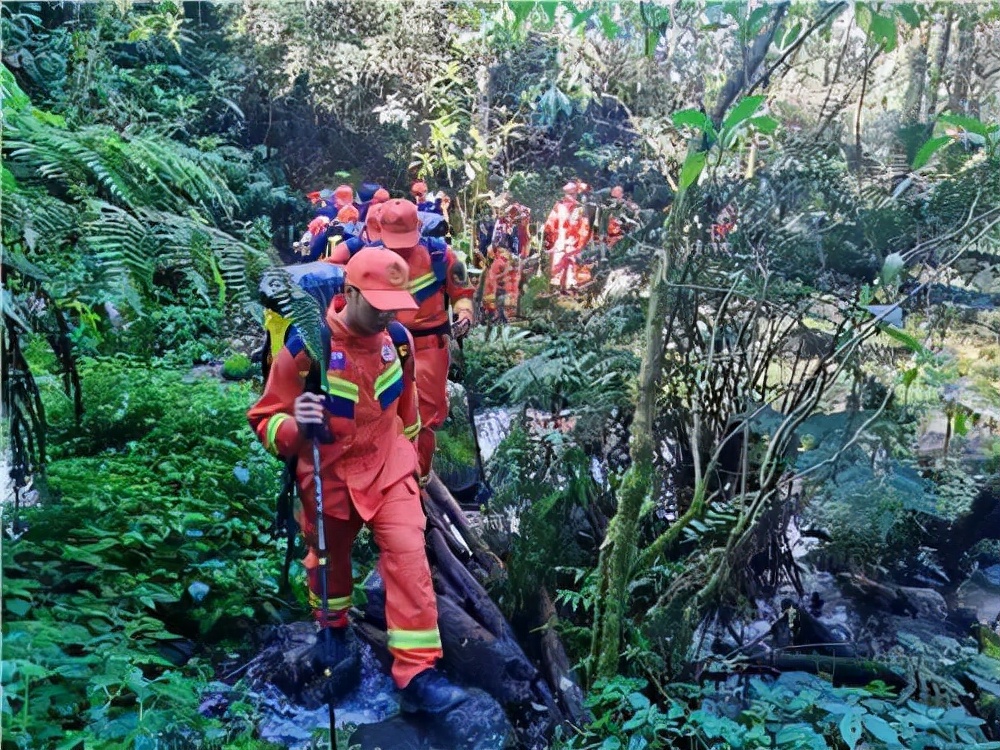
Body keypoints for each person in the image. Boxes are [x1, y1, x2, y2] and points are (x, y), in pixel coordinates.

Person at [247, 248, 469, 713]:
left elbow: (407, 407)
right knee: (328, 560)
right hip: (328, 475)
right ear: (348, 293)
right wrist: (296, 425)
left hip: (388, 467)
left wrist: (414, 464)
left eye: (393, 302)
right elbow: (266, 417)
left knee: (409, 555)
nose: (387, 312)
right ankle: (332, 629)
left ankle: (416, 671)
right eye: (377, 302)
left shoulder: (400, 339)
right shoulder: (306, 347)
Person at [378, 198, 475, 482]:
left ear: (419, 227)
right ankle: (387, 475)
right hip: (384, 345)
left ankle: (418, 478)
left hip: (428, 347)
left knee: (425, 417)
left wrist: (464, 315)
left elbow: (462, 293)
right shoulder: (369, 258)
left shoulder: (441, 256)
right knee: (384, 411)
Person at [481, 193, 531, 323]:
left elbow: (501, 241)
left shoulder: (510, 219)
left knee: (500, 283)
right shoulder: (507, 220)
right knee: (503, 284)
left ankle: (500, 314)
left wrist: (493, 249)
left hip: (507, 256)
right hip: (508, 256)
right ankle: (501, 314)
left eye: (498, 208)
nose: (497, 211)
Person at [543, 180, 592, 293]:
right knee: (560, 266)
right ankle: (560, 289)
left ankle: (566, 288)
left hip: (571, 242)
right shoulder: (559, 207)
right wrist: (549, 242)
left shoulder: (579, 209)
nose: (571, 196)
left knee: (569, 265)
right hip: (562, 241)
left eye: (573, 194)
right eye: (569, 194)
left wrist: (579, 241)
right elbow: (550, 226)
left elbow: (584, 227)